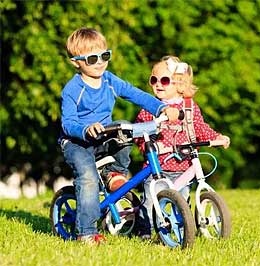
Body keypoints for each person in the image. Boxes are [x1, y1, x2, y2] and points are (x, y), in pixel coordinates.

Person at [59, 28, 179, 244]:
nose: (100, 63)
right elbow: (68, 123)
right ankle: (86, 232)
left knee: (125, 126)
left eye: (105, 56)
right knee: (88, 178)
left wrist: (161, 108)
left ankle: (114, 172)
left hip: (103, 135)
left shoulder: (109, 80)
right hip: (76, 142)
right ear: (76, 62)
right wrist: (85, 130)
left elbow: (136, 94)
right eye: (92, 58)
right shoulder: (72, 89)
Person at [135, 56, 230, 239]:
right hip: (157, 169)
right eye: (153, 80)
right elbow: (139, 134)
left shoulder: (189, 107)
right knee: (150, 201)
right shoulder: (150, 108)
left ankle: (178, 230)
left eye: (164, 80)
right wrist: (151, 146)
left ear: (179, 83)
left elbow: (200, 128)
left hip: (183, 167)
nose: (158, 84)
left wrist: (217, 137)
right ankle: (144, 231)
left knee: (182, 201)